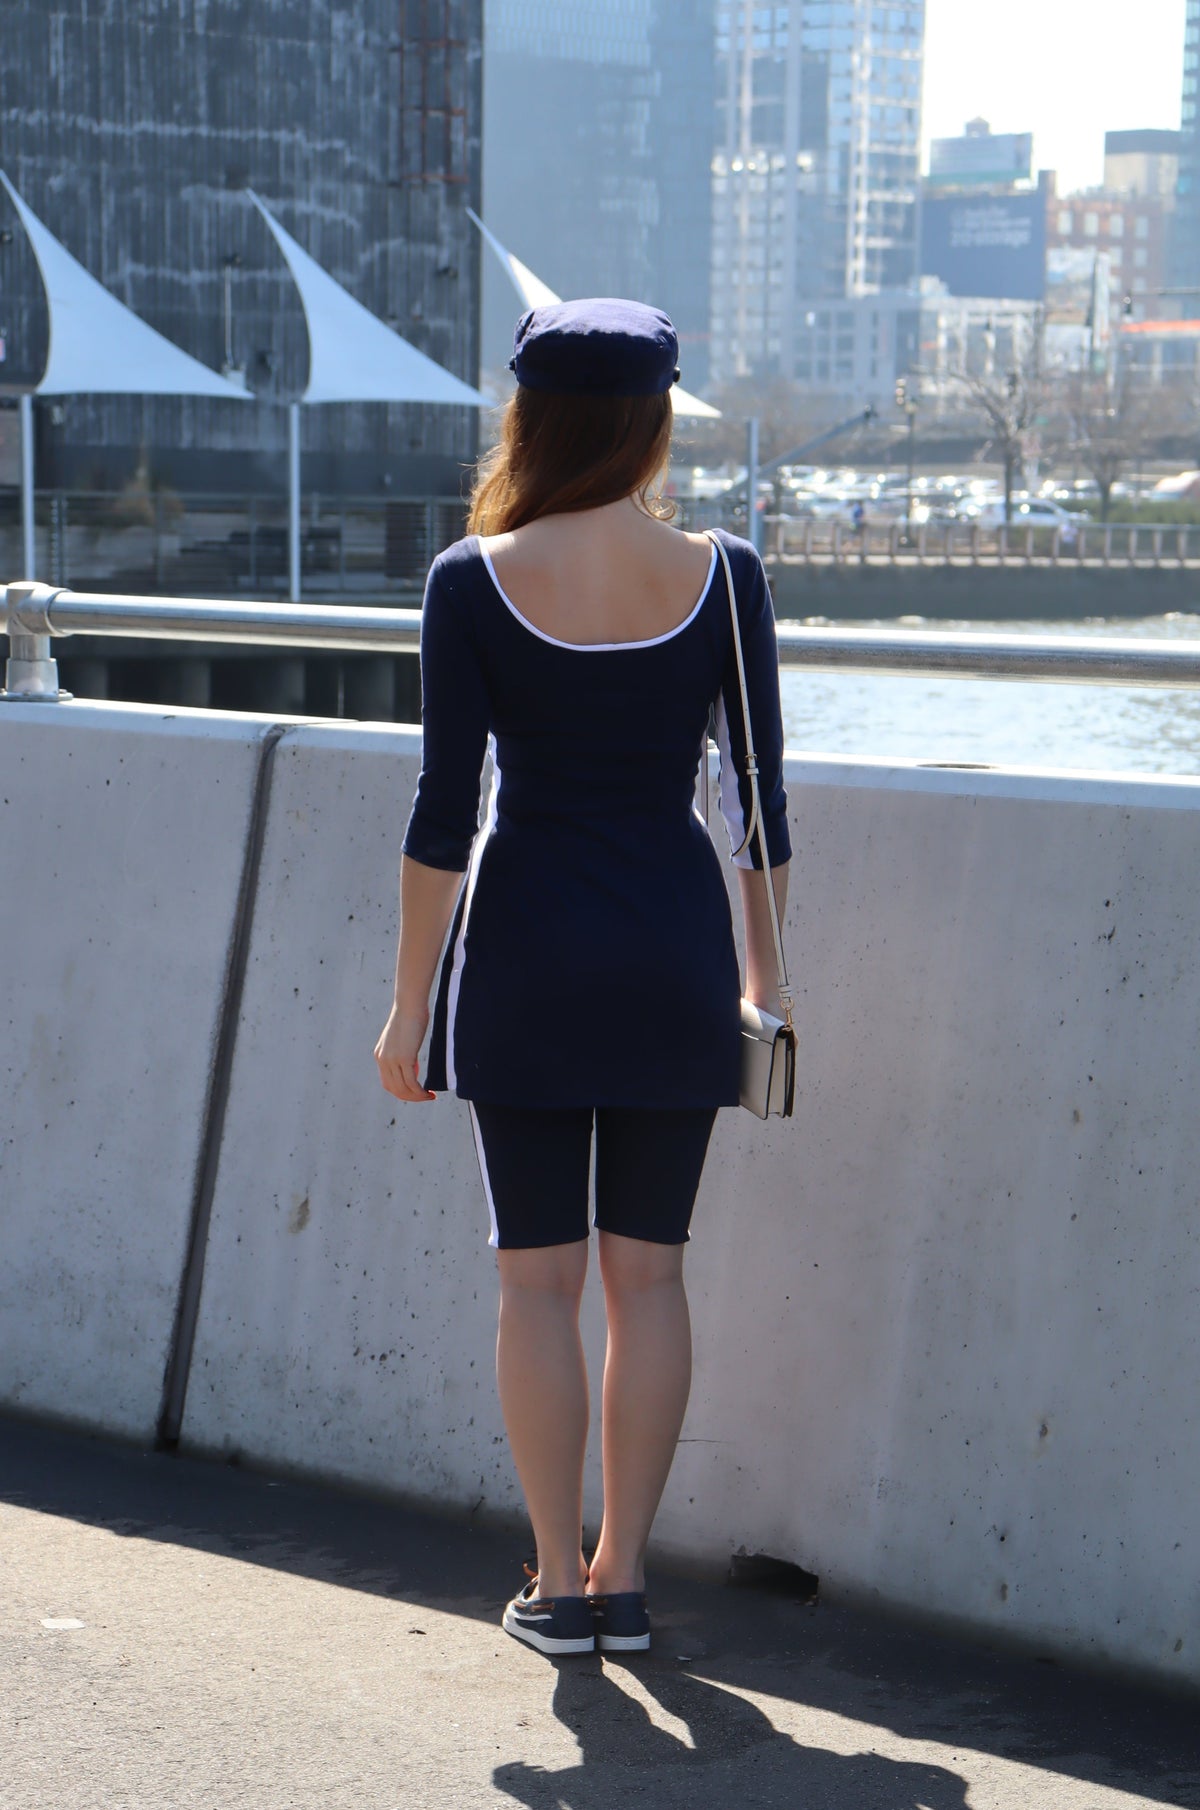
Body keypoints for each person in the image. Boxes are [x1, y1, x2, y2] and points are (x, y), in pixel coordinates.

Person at [374, 298, 791, 1658]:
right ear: (654, 419)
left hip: (527, 957)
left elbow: (444, 816)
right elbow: (758, 803)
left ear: (531, 417)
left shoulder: (469, 579)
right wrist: (767, 984)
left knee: (537, 1282)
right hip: (675, 957)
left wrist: (410, 1007)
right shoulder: (725, 575)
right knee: (649, 1279)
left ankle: (556, 1584)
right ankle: (626, 1579)